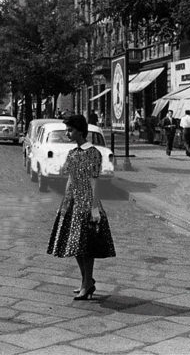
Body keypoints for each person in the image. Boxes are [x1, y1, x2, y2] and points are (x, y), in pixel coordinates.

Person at [47, 114, 115, 300]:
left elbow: (94, 182)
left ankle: (86, 284)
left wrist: (94, 208)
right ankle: (87, 281)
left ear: (80, 131)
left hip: (88, 203)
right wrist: (65, 203)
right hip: (74, 204)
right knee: (75, 245)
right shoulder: (72, 154)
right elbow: (70, 180)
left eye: (70, 130)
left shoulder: (93, 153)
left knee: (86, 247)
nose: (67, 133)